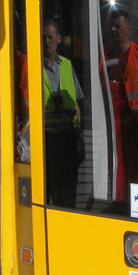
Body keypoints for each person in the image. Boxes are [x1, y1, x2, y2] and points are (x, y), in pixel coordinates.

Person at [102, 10, 138, 201]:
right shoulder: (104, 55)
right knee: (116, 169)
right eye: (112, 26)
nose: (113, 29)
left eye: (118, 26)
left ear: (129, 29)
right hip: (113, 127)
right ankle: (118, 204)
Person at [42, 21, 84, 206]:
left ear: (59, 39)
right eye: (44, 37)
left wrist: (79, 134)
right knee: (51, 190)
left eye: (50, 37)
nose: (46, 41)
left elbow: (76, 103)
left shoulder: (66, 65)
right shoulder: (35, 66)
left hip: (67, 138)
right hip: (48, 138)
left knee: (69, 191)